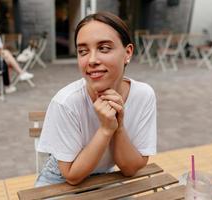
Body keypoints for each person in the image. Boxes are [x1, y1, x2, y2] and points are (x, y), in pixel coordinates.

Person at [35, 12, 157, 187]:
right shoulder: (66, 102)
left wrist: (119, 126)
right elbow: (72, 176)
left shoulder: (144, 95)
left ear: (127, 53)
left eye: (104, 48)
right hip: (59, 180)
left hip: (104, 176)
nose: (91, 60)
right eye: (82, 51)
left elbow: (130, 169)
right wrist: (106, 129)